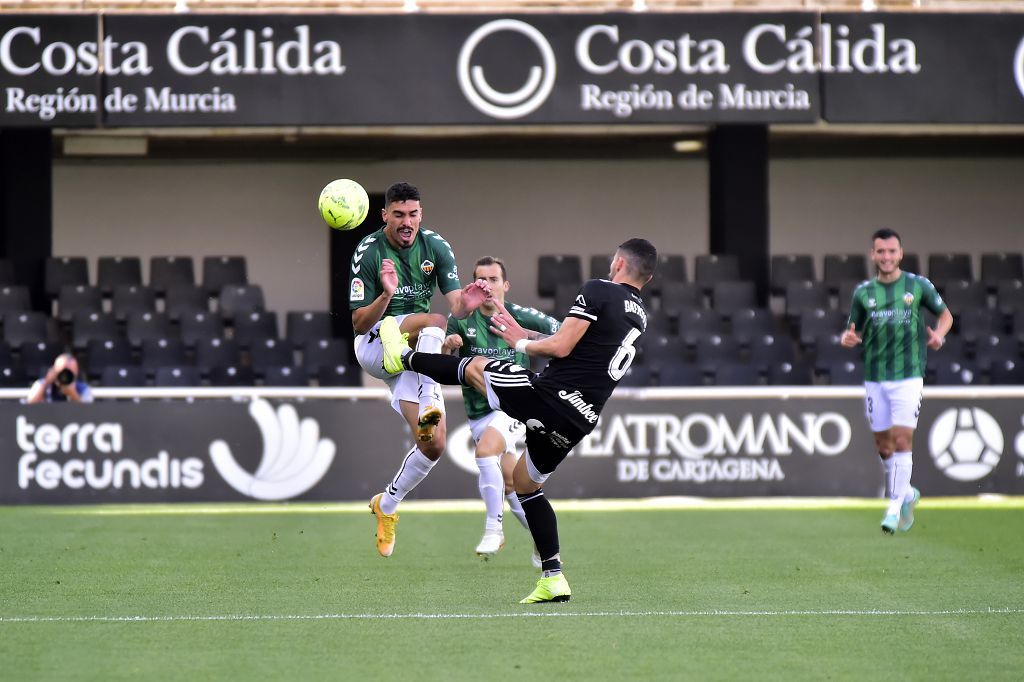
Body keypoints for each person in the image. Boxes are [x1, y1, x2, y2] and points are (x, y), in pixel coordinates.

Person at [379, 238, 657, 603]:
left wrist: (520, 344)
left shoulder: (599, 290)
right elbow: (574, 346)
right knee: (526, 485)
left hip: (550, 397)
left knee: (477, 368)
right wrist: (523, 333)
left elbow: (560, 348)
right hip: (582, 418)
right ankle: (553, 577)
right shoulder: (639, 315)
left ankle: (403, 357)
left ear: (619, 262)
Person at [352, 181, 490, 558]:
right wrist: (386, 295)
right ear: (385, 216)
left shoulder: (436, 247)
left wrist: (469, 303)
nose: (406, 221)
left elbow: (457, 307)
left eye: (412, 214)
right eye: (398, 214)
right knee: (432, 319)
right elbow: (360, 325)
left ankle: (387, 505)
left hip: (411, 353)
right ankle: (431, 393)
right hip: (376, 345)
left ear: (421, 214)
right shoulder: (368, 251)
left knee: (434, 444)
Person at [443, 256, 560, 562]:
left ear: (505, 285)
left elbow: (564, 335)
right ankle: (543, 543)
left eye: (493, 279)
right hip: (479, 412)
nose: (488, 285)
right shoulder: (461, 319)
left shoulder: (521, 315)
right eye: (481, 280)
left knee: (484, 453)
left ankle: (494, 528)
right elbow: (441, 362)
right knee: (512, 484)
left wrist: (528, 337)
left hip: (514, 405)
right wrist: (447, 346)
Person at [840, 227, 953, 536]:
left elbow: (945, 316)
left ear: (900, 253)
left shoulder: (918, 286)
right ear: (872, 255)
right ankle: (907, 494)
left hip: (909, 375)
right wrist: (849, 337)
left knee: (902, 438)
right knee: (884, 445)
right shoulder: (864, 293)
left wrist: (939, 336)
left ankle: (892, 506)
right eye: (881, 251)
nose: (886, 257)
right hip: (875, 377)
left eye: (892, 251)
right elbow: (853, 329)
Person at [27, 353, 94, 404]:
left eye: (70, 372)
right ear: (54, 370)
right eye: (63, 371)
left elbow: (87, 413)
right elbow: (28, 407)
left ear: (76, 372)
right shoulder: (41, 384)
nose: (66, 376)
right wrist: (45, 383)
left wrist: (73, 394)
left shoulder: (84, 389)